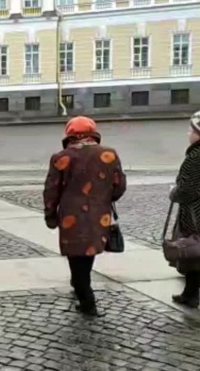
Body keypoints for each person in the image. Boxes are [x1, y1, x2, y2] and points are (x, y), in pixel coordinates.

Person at [43, 116, 126, 317]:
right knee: (88, 253)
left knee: (76, 256)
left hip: (71, 216)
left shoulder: (61, 157)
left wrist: (50, 216)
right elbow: (119, 186)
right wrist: (105, 198)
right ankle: (82, 287)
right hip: (99, 215)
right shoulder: (109, 154)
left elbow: (51, 190)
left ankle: (87, 301)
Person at [167, 111, 200, 309]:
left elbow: (187, 190)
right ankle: (190, 293)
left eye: (192, 129)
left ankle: (191, 295)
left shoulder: (195, 157)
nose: (188, 133)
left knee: (193, 252)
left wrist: (174, 192)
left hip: (195, 216)